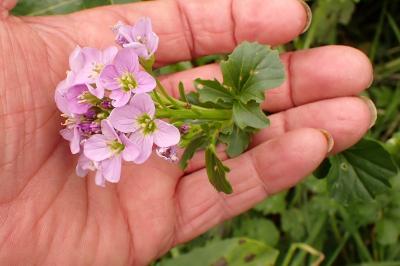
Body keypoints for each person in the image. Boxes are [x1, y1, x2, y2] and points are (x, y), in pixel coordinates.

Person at [0, 0, 375, 265]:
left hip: (146, 102)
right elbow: (143, 122)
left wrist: (130, 97)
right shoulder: (134, 118)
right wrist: (129, 120)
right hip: (143, 108)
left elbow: (144, 103)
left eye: (127, 77)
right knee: (163, 123)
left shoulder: (136, 91)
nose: (144, 124)